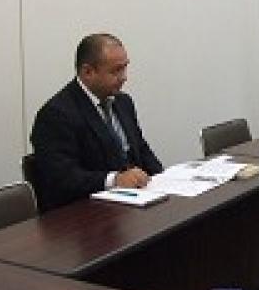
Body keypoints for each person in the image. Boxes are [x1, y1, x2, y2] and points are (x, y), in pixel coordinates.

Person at [31, 33, 163, 212]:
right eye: (116, 70)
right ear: (87, 72)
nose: (124, 77)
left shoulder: (123, 102)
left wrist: (163, 180)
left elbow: (140, 148)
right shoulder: (56, 114)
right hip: (85, 216)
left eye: (125, 68)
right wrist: (114, 180)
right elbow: (63, 177)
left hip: (131, 205)